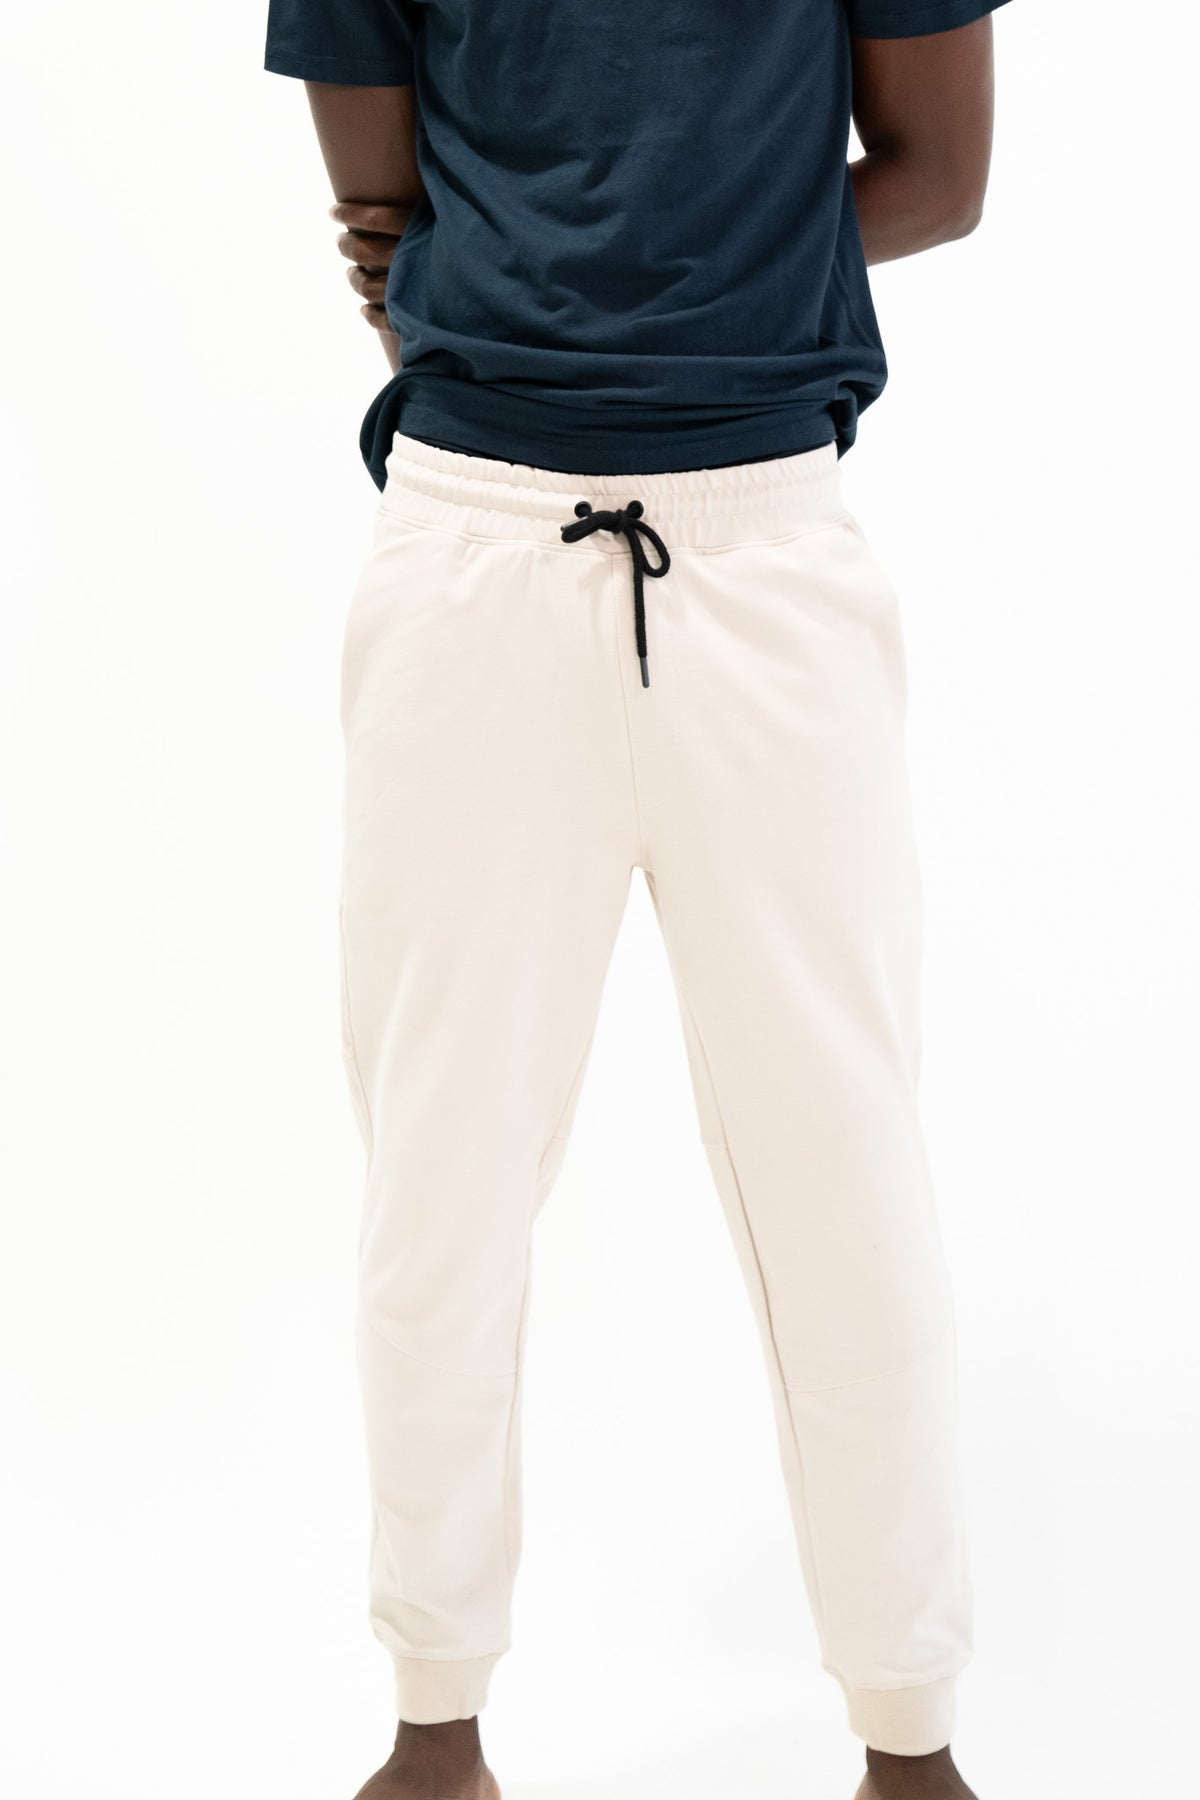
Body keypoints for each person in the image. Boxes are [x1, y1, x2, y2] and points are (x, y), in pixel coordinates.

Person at [263, 3, 1010, 1796]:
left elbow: (945, 174)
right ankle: (433, 1724)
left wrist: (656, 266)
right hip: (477, 545)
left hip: (768, 552)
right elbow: (380, 210)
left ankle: (911, 1739)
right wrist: (584, 299)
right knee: (442, 1178)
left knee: (841, 1169)